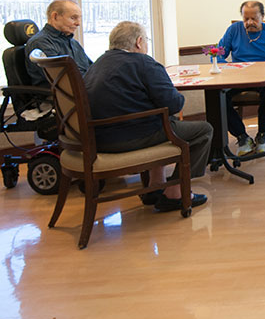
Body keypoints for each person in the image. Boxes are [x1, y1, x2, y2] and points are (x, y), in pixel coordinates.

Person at [84, 21, 212, 212]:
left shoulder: (97, 64)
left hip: (98, 138)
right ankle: (176, 192)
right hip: (131, 136)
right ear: (139, 41)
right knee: (203, 130)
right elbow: (174, 104)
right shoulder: (143, 63)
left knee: (166, 121)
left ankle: (155, 186)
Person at [216, 0, 265, 156]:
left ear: (262, 17)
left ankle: (262, 136)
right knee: (218, 95)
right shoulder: (233, 30)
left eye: (254, 18)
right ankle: (242, 137)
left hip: (263, 79)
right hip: (238, 78)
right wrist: (224, 67)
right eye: (246, 19)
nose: (249, 23)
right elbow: (219, 54)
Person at [25, 0, 93, 85]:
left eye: (79, 18)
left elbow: (91, 68)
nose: (78, 23)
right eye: (73, 18)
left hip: (82, 87)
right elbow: (62, 79)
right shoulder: (41, 42)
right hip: (61, 94)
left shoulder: (72, 42)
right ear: (55, 17)